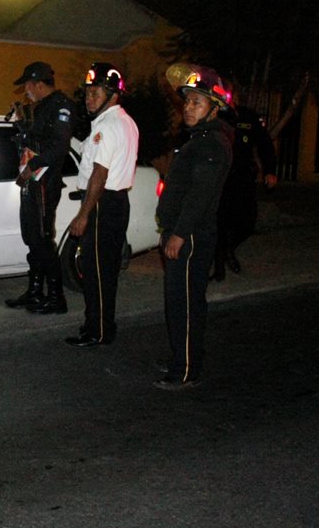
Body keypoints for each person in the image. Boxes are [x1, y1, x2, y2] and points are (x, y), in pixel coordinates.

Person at [155, 64, 233, 390]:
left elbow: (200, 196)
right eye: (186, 102)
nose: (188, 107)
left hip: (191, 236)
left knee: (184, 301)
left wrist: (178, 234)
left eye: (196, 103)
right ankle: (183, 356)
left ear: (213, 108)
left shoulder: (211, 144)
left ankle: (185, 367)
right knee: (180, 299)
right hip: (182, 232)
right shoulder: (198, 139)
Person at [63, 62, 139, 348]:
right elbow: (85, 152)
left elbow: (100, 173)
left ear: (113, 95)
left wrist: (84, 214)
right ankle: (100, 326)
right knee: (101, 270)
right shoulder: (120, 123)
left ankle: (98, 331)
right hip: (113, 202)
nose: (89, 98)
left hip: (102, 203)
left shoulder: (108, 126)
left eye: (96, 92)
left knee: (95, 272)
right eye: (87, 92)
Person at [4, 62, 77, 314]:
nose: (25, 91)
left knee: (44, 239)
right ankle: (35, 291)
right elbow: (37, 139)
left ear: (38, 83)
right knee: (32, 237)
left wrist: (32, 164)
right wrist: (22, 126)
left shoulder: (60, 106)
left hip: (45, 180)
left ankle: (56, 298)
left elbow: (58, 148)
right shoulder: (41, 107)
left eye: (27, 85)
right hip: (33, 180)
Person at [212, 83, 278, 281]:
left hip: (243, 177)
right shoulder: (216, 115)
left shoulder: (247, 116)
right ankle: (219, 269)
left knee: (248, 221)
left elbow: (265, 144)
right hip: (222, 178)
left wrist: (270, 171)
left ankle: (228, 249)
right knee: (221, 222)